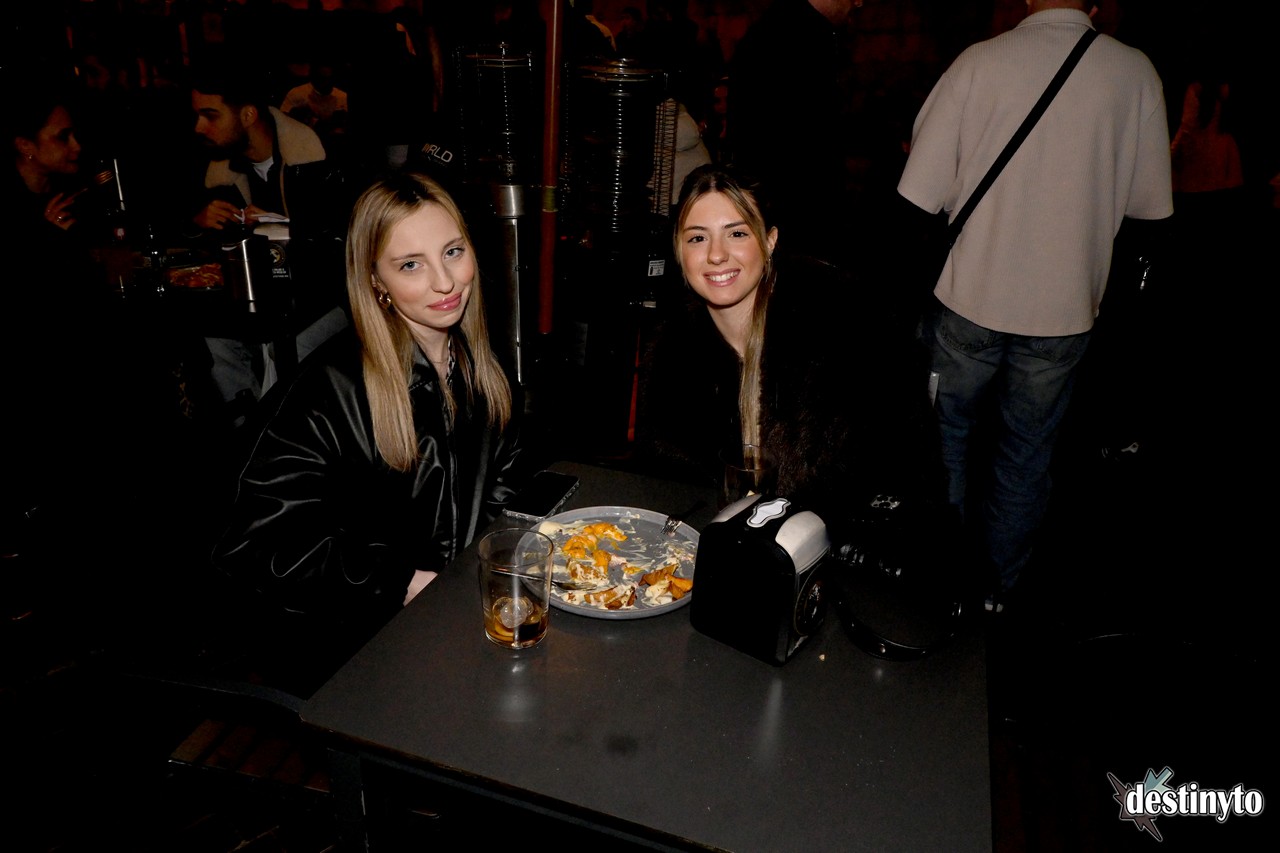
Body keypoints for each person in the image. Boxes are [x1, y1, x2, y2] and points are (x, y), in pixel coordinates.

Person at [897, 0, 1173, 607]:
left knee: (944, 440)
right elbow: (1150, 209)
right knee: (1027, 451)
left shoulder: (979, 63)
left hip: (969, 297)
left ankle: (941, 581)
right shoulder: (1135, 74)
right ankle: (996, 591)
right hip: (1066, 308)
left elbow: (918, 193)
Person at [213, 172, 525, 679]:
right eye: (410, 265)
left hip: (458, 628)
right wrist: (398, 581)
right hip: (354, 651)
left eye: (452, 252)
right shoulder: (329, 392)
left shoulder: (486, 374)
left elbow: (500, 500)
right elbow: (254, 545)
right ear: (375, 280)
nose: (445, 282)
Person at [638, 165, 944, 538]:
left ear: (770, 241)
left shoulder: (849, 335)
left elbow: (906, 481)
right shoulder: (673, 358)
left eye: (737, 233)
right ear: (679, 250)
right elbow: (668, 491)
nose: (716, 255)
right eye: (698, 238)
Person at [190, 61, 326, 230]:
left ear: (248, 115)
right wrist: (196, 225)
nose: (199, 128)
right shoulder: (212, 166)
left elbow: (334, 234)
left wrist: (281, 228)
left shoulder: (313, 161)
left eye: (211, 116)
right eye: (197, 116)